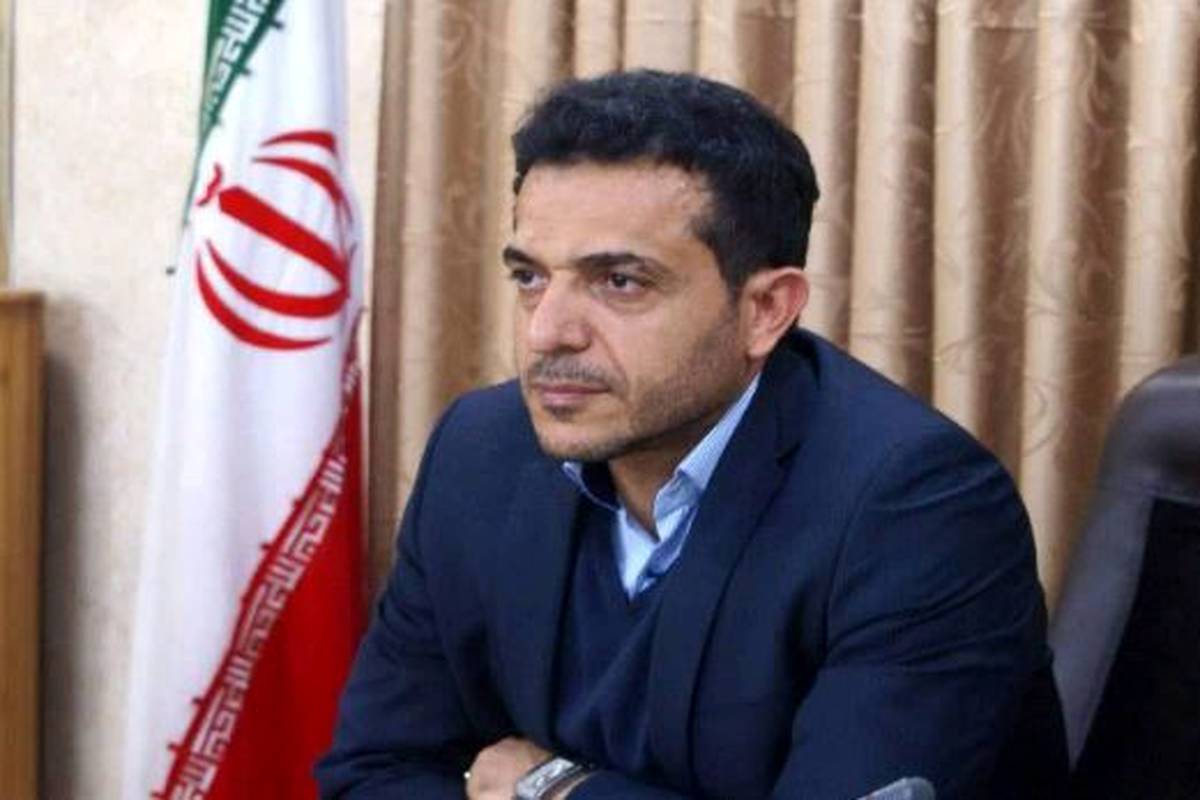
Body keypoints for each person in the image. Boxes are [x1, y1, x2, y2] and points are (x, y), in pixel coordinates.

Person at [316, 70, 1067, 799]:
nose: (547, 332)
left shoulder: (917, 507)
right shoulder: (480, 452)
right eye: (531, 277)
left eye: (620, 282)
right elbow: (373, 772)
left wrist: (551, 785)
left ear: (765, 311)